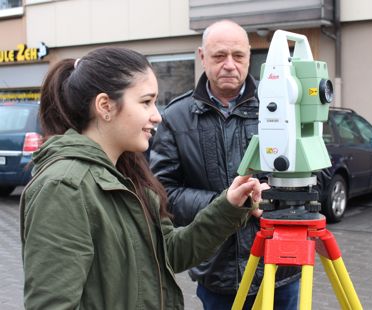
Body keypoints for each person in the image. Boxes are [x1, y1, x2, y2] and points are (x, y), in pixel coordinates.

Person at [20, 47, 263, 310]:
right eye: (146, 102)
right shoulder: (65, 187)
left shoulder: (128, 175)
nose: (157, 115)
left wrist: (228, 206)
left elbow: (169, 253)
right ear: (105, 106)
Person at [150, 20, 300, 309]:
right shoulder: (176, 117)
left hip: (279, 267)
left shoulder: (282, 107)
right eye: (219, 56)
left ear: (249, 56)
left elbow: (313, 179)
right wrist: (229, 204)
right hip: (216, 271)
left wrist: (269, 200)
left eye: (238, 55)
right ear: (202, 56)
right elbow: (162, 193)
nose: (230, 64)